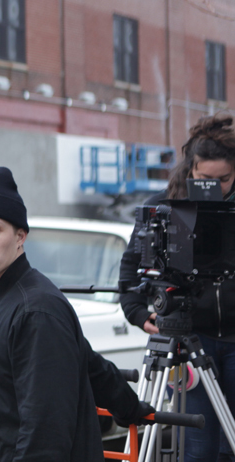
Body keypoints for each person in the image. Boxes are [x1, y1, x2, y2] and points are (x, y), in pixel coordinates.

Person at [0, 166, 147, 461]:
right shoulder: (13, 298)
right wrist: (129, 407)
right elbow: (89, 363)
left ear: (20, 235)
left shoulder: (35, 310)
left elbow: (45, 434)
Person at [118, 114, 235, 461]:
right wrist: (139, 313)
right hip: (189, 340)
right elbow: (130, 272)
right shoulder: (165, 207)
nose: (215, 186)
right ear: (191, 168)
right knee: (196, 449)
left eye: (224, 179)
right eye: (205, 178)